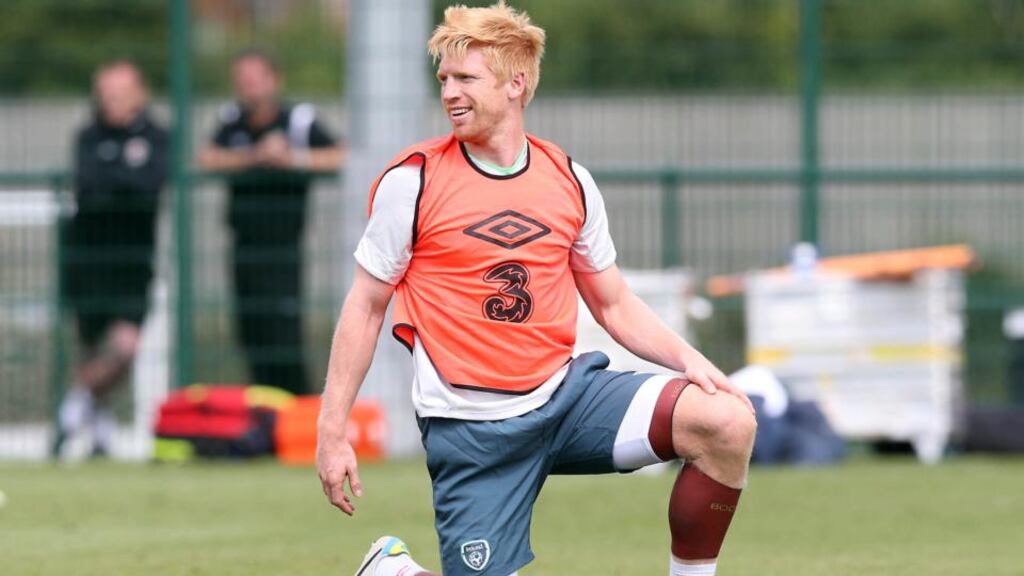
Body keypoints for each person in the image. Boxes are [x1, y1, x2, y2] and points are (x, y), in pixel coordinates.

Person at [316, 4, 756, 575]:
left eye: (466, 78)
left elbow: (613, 302)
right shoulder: (413, 183)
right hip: (473, 432)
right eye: (444, 79)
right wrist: (332, 433)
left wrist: (693, 362)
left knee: (726, 422)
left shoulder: (568, 179)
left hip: (567, 400)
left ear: (515, 83)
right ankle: (394, 570)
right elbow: (366, 305)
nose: (450, 92)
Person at [198, 49, 345, 395]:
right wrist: (253, 157)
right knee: (251, 332)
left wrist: (292, 158)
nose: (248, 88)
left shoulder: (299, 121)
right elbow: (206, 158)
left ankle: (300, 409)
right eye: (242, 81)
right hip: (243, 244)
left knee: (284, 333)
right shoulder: (231, 119)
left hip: (284, 247)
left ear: (274, 80)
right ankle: (265, 412)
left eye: (255, 79)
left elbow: (341, 153)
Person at [56, 60, 168, 458]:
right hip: (87, 253)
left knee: (125, 347)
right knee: (89, 342)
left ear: (140, 93)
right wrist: (124, 178)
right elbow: (87, 183)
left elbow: (151, 183)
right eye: (105, 94)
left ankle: (75, 405)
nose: (111, 102)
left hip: (133, 258)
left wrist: (114, 177)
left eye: (119, 93)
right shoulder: (88, 134)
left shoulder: (156, 135)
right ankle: (100, 431)